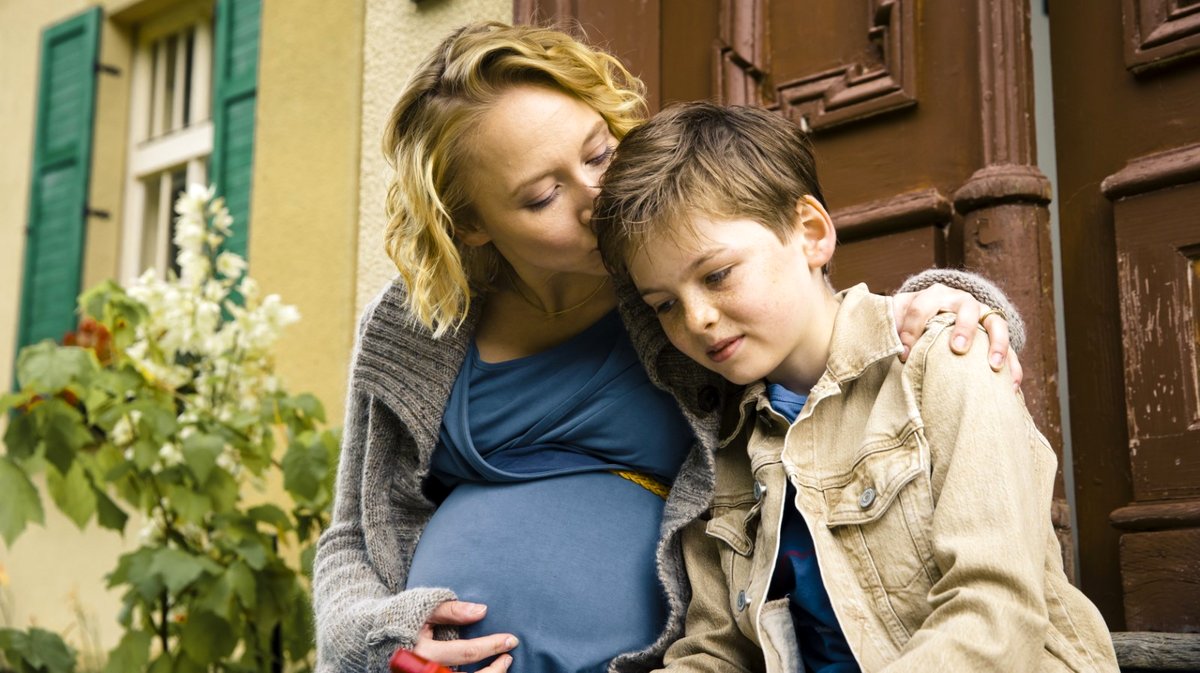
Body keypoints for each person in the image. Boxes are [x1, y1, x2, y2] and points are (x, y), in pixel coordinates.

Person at [312, 22, 1026, 673]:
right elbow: (351, 534)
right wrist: (377, 640)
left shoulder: (671, 282)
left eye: (598, 152)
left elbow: (817, 318)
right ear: (471, 223)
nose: (595, 195)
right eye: (540, 197)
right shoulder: (416, 324)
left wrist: (953, 303)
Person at [592, 101, 1119, 672]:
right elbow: (717, 651)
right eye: (664, 304)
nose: (695, 319)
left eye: (717, 275)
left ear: (811, 234)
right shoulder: (724, 450)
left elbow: (994, 610)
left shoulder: (944, 358)